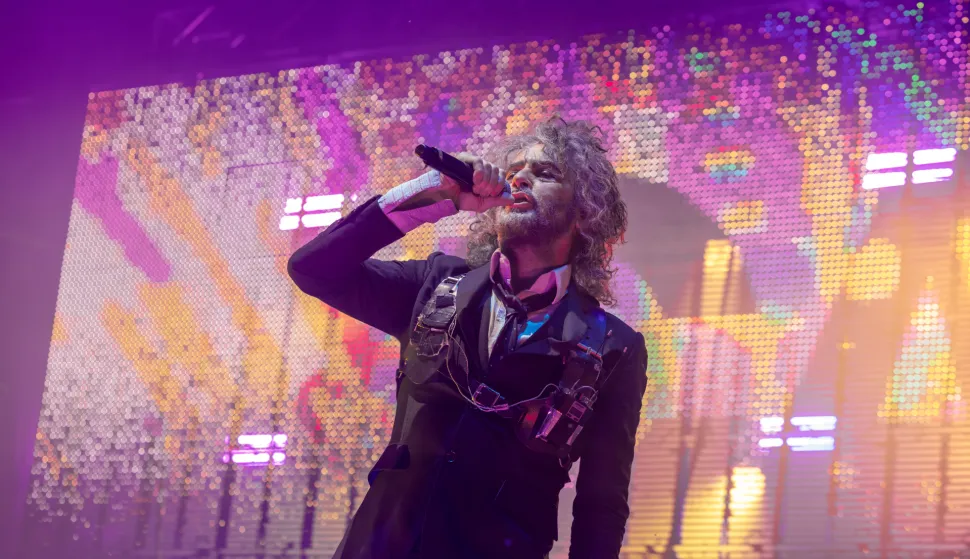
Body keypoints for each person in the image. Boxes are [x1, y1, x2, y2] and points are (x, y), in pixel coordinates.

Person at [288, 117, 648, 559]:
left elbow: (601, 506)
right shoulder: (434, 283)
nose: (520, 179)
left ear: (585, 212)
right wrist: (432, 196)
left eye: (545, 173)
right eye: (513, 170)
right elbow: (313, 269)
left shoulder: (613, 345)